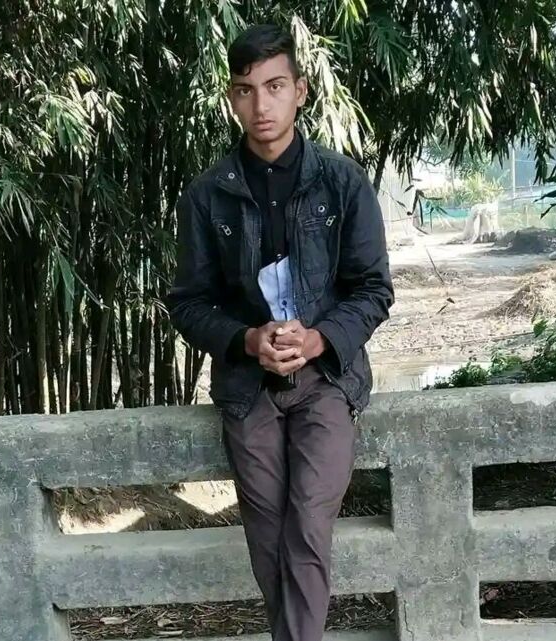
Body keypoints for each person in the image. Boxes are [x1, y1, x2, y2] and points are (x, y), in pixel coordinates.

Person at [166, 24, 394, 641]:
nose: (261, 105)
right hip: (249, 386)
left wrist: (318, 339)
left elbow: (373, 289)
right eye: (246, 90)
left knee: (307, 525)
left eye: (275, 87)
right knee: (267, 538)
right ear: (231, 98)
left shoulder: (341, 182)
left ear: (301, 91)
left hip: (327, 380)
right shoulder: (207, 195)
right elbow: (188, 303)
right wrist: (248, 339)